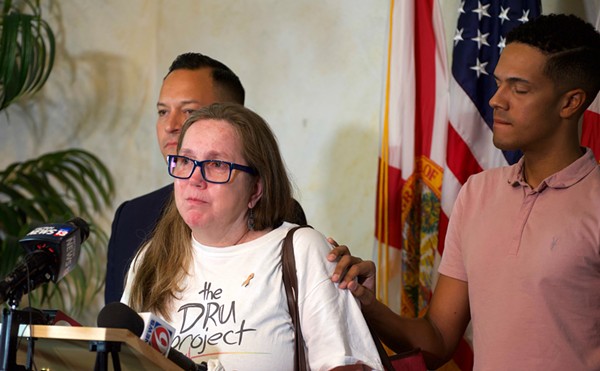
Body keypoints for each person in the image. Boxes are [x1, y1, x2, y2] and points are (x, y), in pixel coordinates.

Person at [329, 14, 600, 370]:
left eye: (518, 89)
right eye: (498, 83)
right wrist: (365, 302)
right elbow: (438, 340)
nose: (495, 100)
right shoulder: (477, 193)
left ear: (570, 103)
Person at [121, 103, 383, 370]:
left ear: (256, 188)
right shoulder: (151, 258)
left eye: (216, 164)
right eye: (186, 160)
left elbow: (349, 365)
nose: (194, 179)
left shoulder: (302, 250)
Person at [105, 53, 306, 304]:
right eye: (162, 111)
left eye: (189, 110)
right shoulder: (132, 216)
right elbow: (116, 330)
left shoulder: (282, 221)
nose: (171, 125)